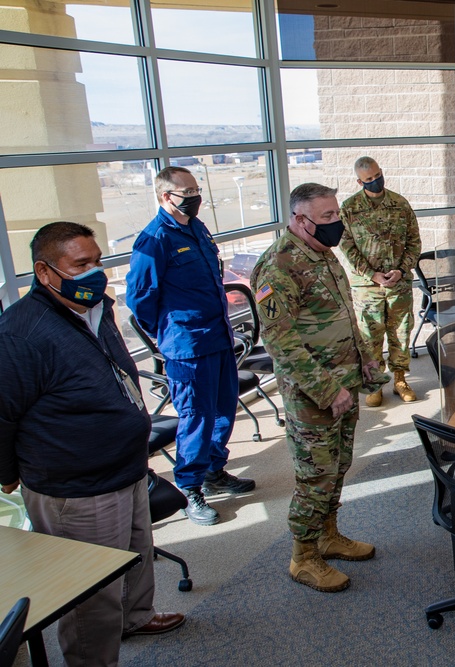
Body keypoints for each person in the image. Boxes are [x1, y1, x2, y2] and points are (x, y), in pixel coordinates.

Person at [0, 222, 184, 666]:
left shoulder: (93, 308)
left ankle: (135, 617)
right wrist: (8, 475)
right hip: (78, 487)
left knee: (137, 554)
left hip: (126, 467)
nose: (95, 272)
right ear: (45, 273)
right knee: (91, 596)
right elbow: (3, 415)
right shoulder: (20, 334)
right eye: (81, 264)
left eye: (97, 260)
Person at [251, 183, 381, 592]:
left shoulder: (323, 254)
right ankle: (303, 556)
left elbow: (342, 314)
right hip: (313, 395)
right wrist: (328, 391)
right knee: (315, 475)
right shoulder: (278, 266)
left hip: (344, 382)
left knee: (338, 465)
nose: (336, 224)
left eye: (336, 214)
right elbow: (281, 343)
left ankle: (328, 534)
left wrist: (365, 359)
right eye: (326, 218)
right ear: (299, 219)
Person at [127, 166, 255, 526]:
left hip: (217, 336)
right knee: (196, 418)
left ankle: (215, 471)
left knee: (223, 410)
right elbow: (140, 299)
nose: (195, 197)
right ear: (166, 196)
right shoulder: (154, 240)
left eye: (197, 189)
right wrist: (170, 332)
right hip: (186, 346)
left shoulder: (196, 227)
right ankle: (190, 487)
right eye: (187, 191)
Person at [339, 156, 422, 408]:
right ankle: (375, 384)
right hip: (368, 287)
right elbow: (347, 248)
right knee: (370, 336)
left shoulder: (400, 204)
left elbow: (414, 242)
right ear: (359, 181)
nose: (375, 181)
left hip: (398, 283)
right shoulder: (349, 208)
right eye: (368, 180)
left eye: (377, 176)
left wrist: (401, 269)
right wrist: (371, 274)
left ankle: (400, 380)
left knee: (400, 332)